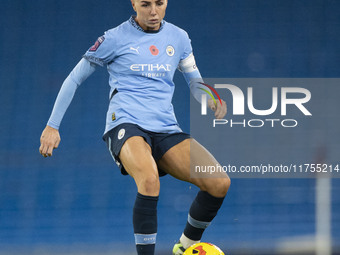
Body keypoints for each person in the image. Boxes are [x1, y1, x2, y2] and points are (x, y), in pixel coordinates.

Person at [39, 0, 230, 254]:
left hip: (165, 127)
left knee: (219, 182)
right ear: (133, 3)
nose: (153, 11)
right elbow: (74, 78)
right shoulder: (114, 38)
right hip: (126, 123)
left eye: (159, 3)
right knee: (149, 180)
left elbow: (195, 82)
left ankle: (184, 247)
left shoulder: (179, 37)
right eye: (145, 4)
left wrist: (211, 97)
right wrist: (52, 125)